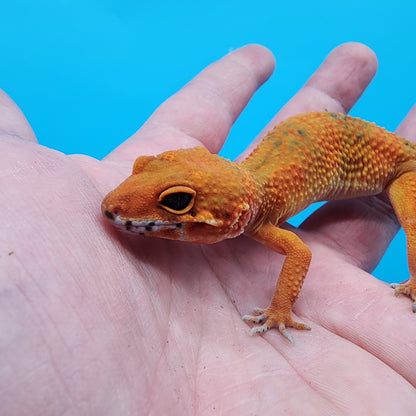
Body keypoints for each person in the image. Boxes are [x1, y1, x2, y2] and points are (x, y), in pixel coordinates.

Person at [1, 43, 415, 414]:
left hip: (397, 166)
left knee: (408, 219)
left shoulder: (257, 218)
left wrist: (280, 311)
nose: (120, 206)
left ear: (233, 215)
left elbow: (299, 251)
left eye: (176, 203)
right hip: (321, 141)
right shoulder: (243, 197)